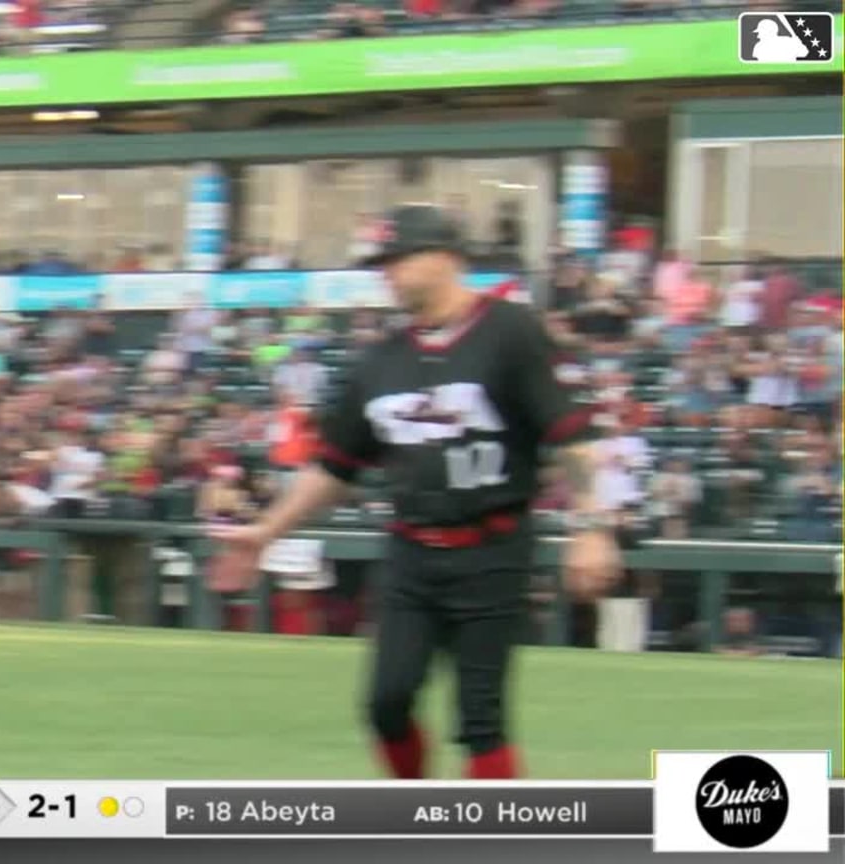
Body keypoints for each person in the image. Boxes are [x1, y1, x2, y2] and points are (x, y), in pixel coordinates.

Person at [212, 205, 622, 780]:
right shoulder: (380, 363)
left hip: (493, 549)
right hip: (412, 554)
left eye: (399, 258)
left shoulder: (508, 331)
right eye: (383, 262)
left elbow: (572, 437)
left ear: (448, 257)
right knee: (386, 702)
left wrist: (593, 527)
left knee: (481, 720)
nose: (388, 273)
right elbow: (334, 468)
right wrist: (265, 531)